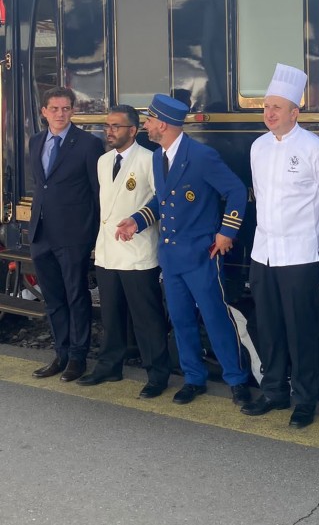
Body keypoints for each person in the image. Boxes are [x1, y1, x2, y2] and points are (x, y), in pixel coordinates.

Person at [115, 94, 251, 406]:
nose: (146, 125)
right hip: (172, 257)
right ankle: (193, 378)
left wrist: (226, 233)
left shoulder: (201, 156)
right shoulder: (156, 156)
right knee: (181, 320)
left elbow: (235, 191)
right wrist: (137, 221)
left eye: (149, 120)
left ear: (162, 123)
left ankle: (237, 379)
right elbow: (161, 202)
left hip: (202, 255)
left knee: (216, 319)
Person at [242, 64, 319, 428]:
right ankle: (273, 392)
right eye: (266, 107)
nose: (269, 114)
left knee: (300, 330)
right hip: (263, 251)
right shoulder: (258, 147)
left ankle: (304, 400)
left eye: (277, 108)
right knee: (268, 326)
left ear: (294, 112)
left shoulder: (317, 149)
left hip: (300, 253)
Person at [76, 105, 171, 398]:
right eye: (108, 125)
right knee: (111, 314)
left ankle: (157, 374)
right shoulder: (103, 161)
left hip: (137, 252)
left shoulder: (149, 160)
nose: (110, 131)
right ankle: (109, 365)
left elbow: (160, 201)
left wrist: (138, 223)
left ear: (133, 130)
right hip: (107, 251)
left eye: (117, 126)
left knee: (147, 318)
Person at [30, 87, 102, 383]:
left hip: (74, 234)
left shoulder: (87, 144)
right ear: (44, 111)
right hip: (41, 232)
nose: (60, 114)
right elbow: (42, 187)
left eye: (66, 108)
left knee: (76, 296)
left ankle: (77, 357)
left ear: (73, 110)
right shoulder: (35, 142)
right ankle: (60, 353)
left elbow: (97, 193)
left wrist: (95, 233)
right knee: (53, 298)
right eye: (54, 109)